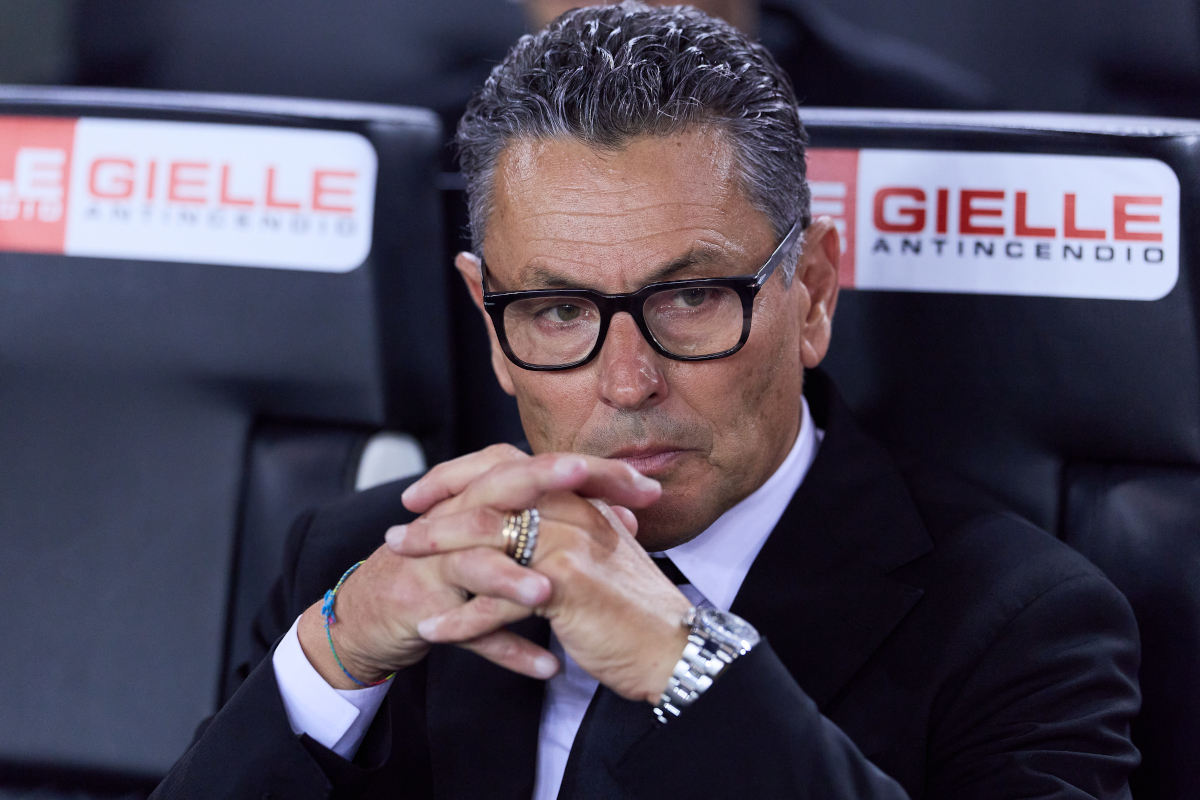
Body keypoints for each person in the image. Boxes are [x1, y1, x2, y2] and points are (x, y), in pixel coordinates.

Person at [152, 4, 1138, 799]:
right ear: (488, 322)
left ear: (816, 295)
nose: (628, 381)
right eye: (555, 310)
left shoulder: (1022, 625)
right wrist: (327, 659)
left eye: (692, 297)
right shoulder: (357, 559)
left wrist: (690, 667)